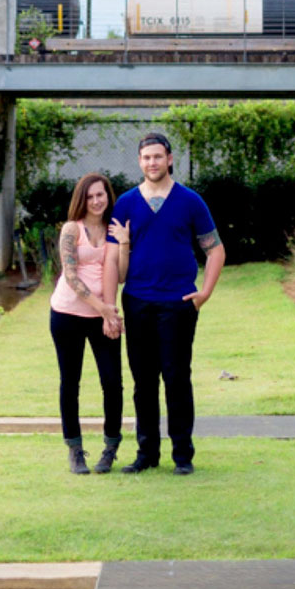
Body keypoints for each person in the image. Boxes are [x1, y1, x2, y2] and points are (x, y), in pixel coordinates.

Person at [104, 132, 225, 475]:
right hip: (138, 302)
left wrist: (205, 292)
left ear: (170, 159)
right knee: (143, 382)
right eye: (146, 158)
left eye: (158, 157)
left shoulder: (190, 201)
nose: (152, 163)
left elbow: (215, 250)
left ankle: (182, 455)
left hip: (178, 304)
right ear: (139, 161)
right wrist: (110, 306)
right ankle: (146, 453)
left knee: (177, 378)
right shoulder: (126, 203)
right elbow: (113, 260)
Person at [49, 172, 127, 475]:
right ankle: (75, 450)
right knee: (70, 382)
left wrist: (125, 243)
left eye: (101, 194)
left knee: (112, 382)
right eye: (90, 196)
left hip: (102, 315)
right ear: (82, 199)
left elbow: (120, 275)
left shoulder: (113, 229)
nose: (96, 201)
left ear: (108, 196)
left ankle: (110, 448)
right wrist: (106, 310)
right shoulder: (72, 229)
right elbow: (70, 275)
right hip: (67, 314)